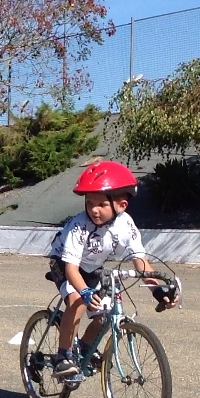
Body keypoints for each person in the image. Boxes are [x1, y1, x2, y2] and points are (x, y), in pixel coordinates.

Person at [44, 160, 180, 379]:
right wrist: (85, 292)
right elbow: (70, 269)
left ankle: (85, 349)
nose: (93, 210)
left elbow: (140, 261)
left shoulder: (125, 225)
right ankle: (64, 356)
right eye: (89, 203)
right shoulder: (80, 225)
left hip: (92, 267)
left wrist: (157, 291)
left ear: (121, 205)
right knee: (78, 301)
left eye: (101, 205)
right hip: (64, 263)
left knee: (105, 313)